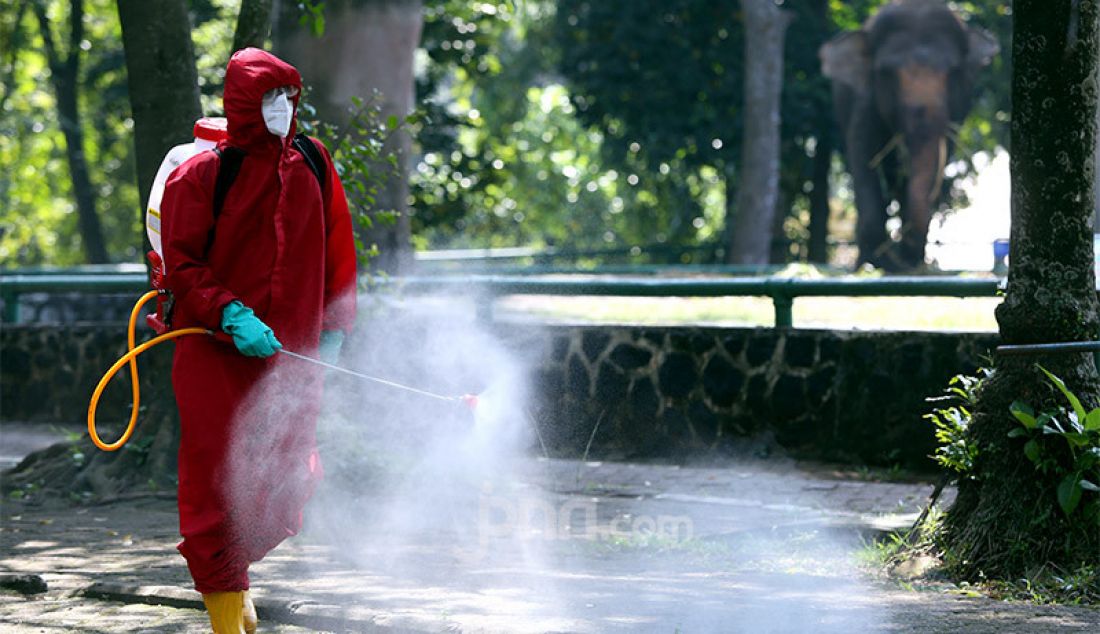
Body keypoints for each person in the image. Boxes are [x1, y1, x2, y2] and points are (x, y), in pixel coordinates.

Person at [160, 47, 357, 633]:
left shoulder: (314, 162)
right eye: (269, 97)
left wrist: (334, 330)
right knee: (216, 489)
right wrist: (231, 315)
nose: (281, 108)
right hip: (215, 356)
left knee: (287, 477)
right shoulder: (201, 175)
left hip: (291, 362)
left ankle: (234, 594)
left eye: (288, 97)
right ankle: (228, 616)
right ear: (242, 103)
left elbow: (338, 252)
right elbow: (183, 265)